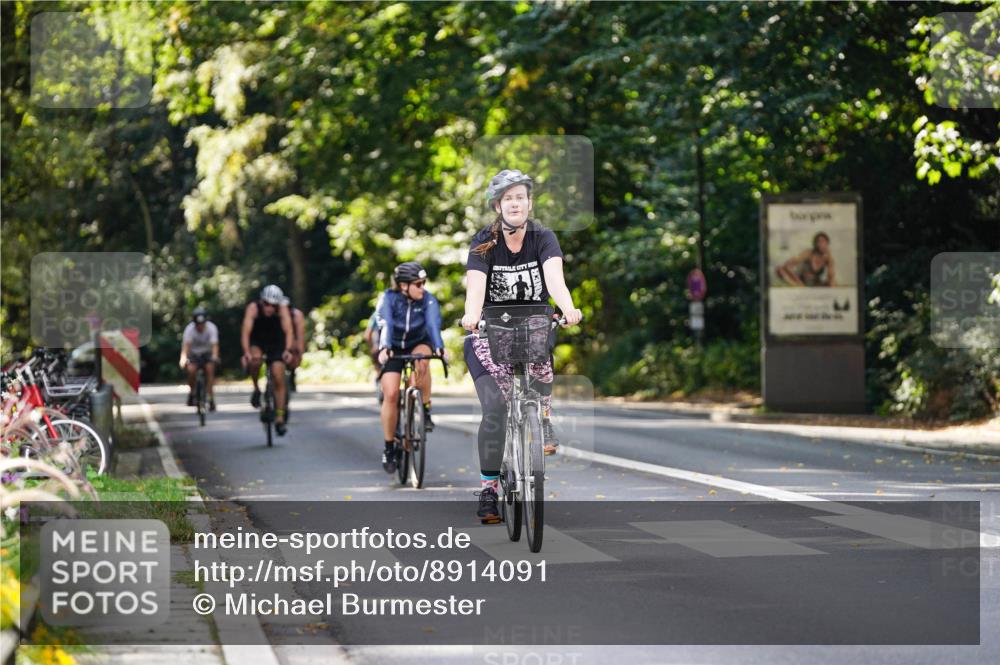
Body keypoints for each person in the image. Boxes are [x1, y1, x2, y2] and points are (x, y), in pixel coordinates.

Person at [460, 169, 582, 523]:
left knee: (544, 342)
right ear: (497, 205)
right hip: (488, 330)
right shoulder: (484, 241)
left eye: (521, 197)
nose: (516, 203)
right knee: (496, 408)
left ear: (529, 203)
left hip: (532, 326)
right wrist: (471, 316)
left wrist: (568, 307)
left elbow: (554, 278)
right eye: (508, 198)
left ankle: (542, 416)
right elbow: (475, 288)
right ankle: (489, 489)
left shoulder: (543, 237)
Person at [376, 262, 445, 474]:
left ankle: (424, 408)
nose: (422, 287)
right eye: (418, 284)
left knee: (422, 360)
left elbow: (433, 324)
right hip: (394, 346)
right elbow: (385, 323)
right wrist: (385, 347)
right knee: (390, 393)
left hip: (418, 341)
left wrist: (440, 348)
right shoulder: (388, 298)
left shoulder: (428, 299)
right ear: (403, 285)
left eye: (424, 283)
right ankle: (389, 447)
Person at [241, 285, 294, 436]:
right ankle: (256, 388)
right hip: (258, 341)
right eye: (266, 304)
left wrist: (287, 350)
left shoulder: (282, 309)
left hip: (276, 342)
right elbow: (246, 332)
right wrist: (246, 353)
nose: (270, 308)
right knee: (255, 359)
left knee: (278, 375)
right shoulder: (253, 308)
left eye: (273, 306)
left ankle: (279, 417)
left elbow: (289, 331)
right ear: (261, 301)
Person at [179, 306, 220, 411]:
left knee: (210, 370)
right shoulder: (189, 329)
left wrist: (215, 356)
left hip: (207, 353)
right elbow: (186, 346)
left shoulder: (211, 328)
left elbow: (215, 345)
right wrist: (183, 359)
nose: (200, 327)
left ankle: (211, 398)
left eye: (202, 324)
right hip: (194, 354)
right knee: (191, 370)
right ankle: (192, 392)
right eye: (198, 325)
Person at [282, 298, 307, 392]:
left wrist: (299, 352)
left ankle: (292, 372)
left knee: (295, 349)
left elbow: (300, 335)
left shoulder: (297, 315)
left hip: (292, 339)